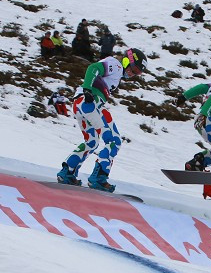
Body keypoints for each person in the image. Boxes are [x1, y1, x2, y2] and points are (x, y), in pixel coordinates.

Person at [56, 48, 148, 192]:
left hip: (80, 105)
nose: (133, 74)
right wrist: (87, 89)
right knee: (114, 141)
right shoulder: (116, 66)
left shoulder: (117, 73)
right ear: (127, 61)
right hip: (90, 104)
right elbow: (93, 68)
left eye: (137, 73)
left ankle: (67, 172)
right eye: (134, 69)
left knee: (91, 142)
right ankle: (98, 178)